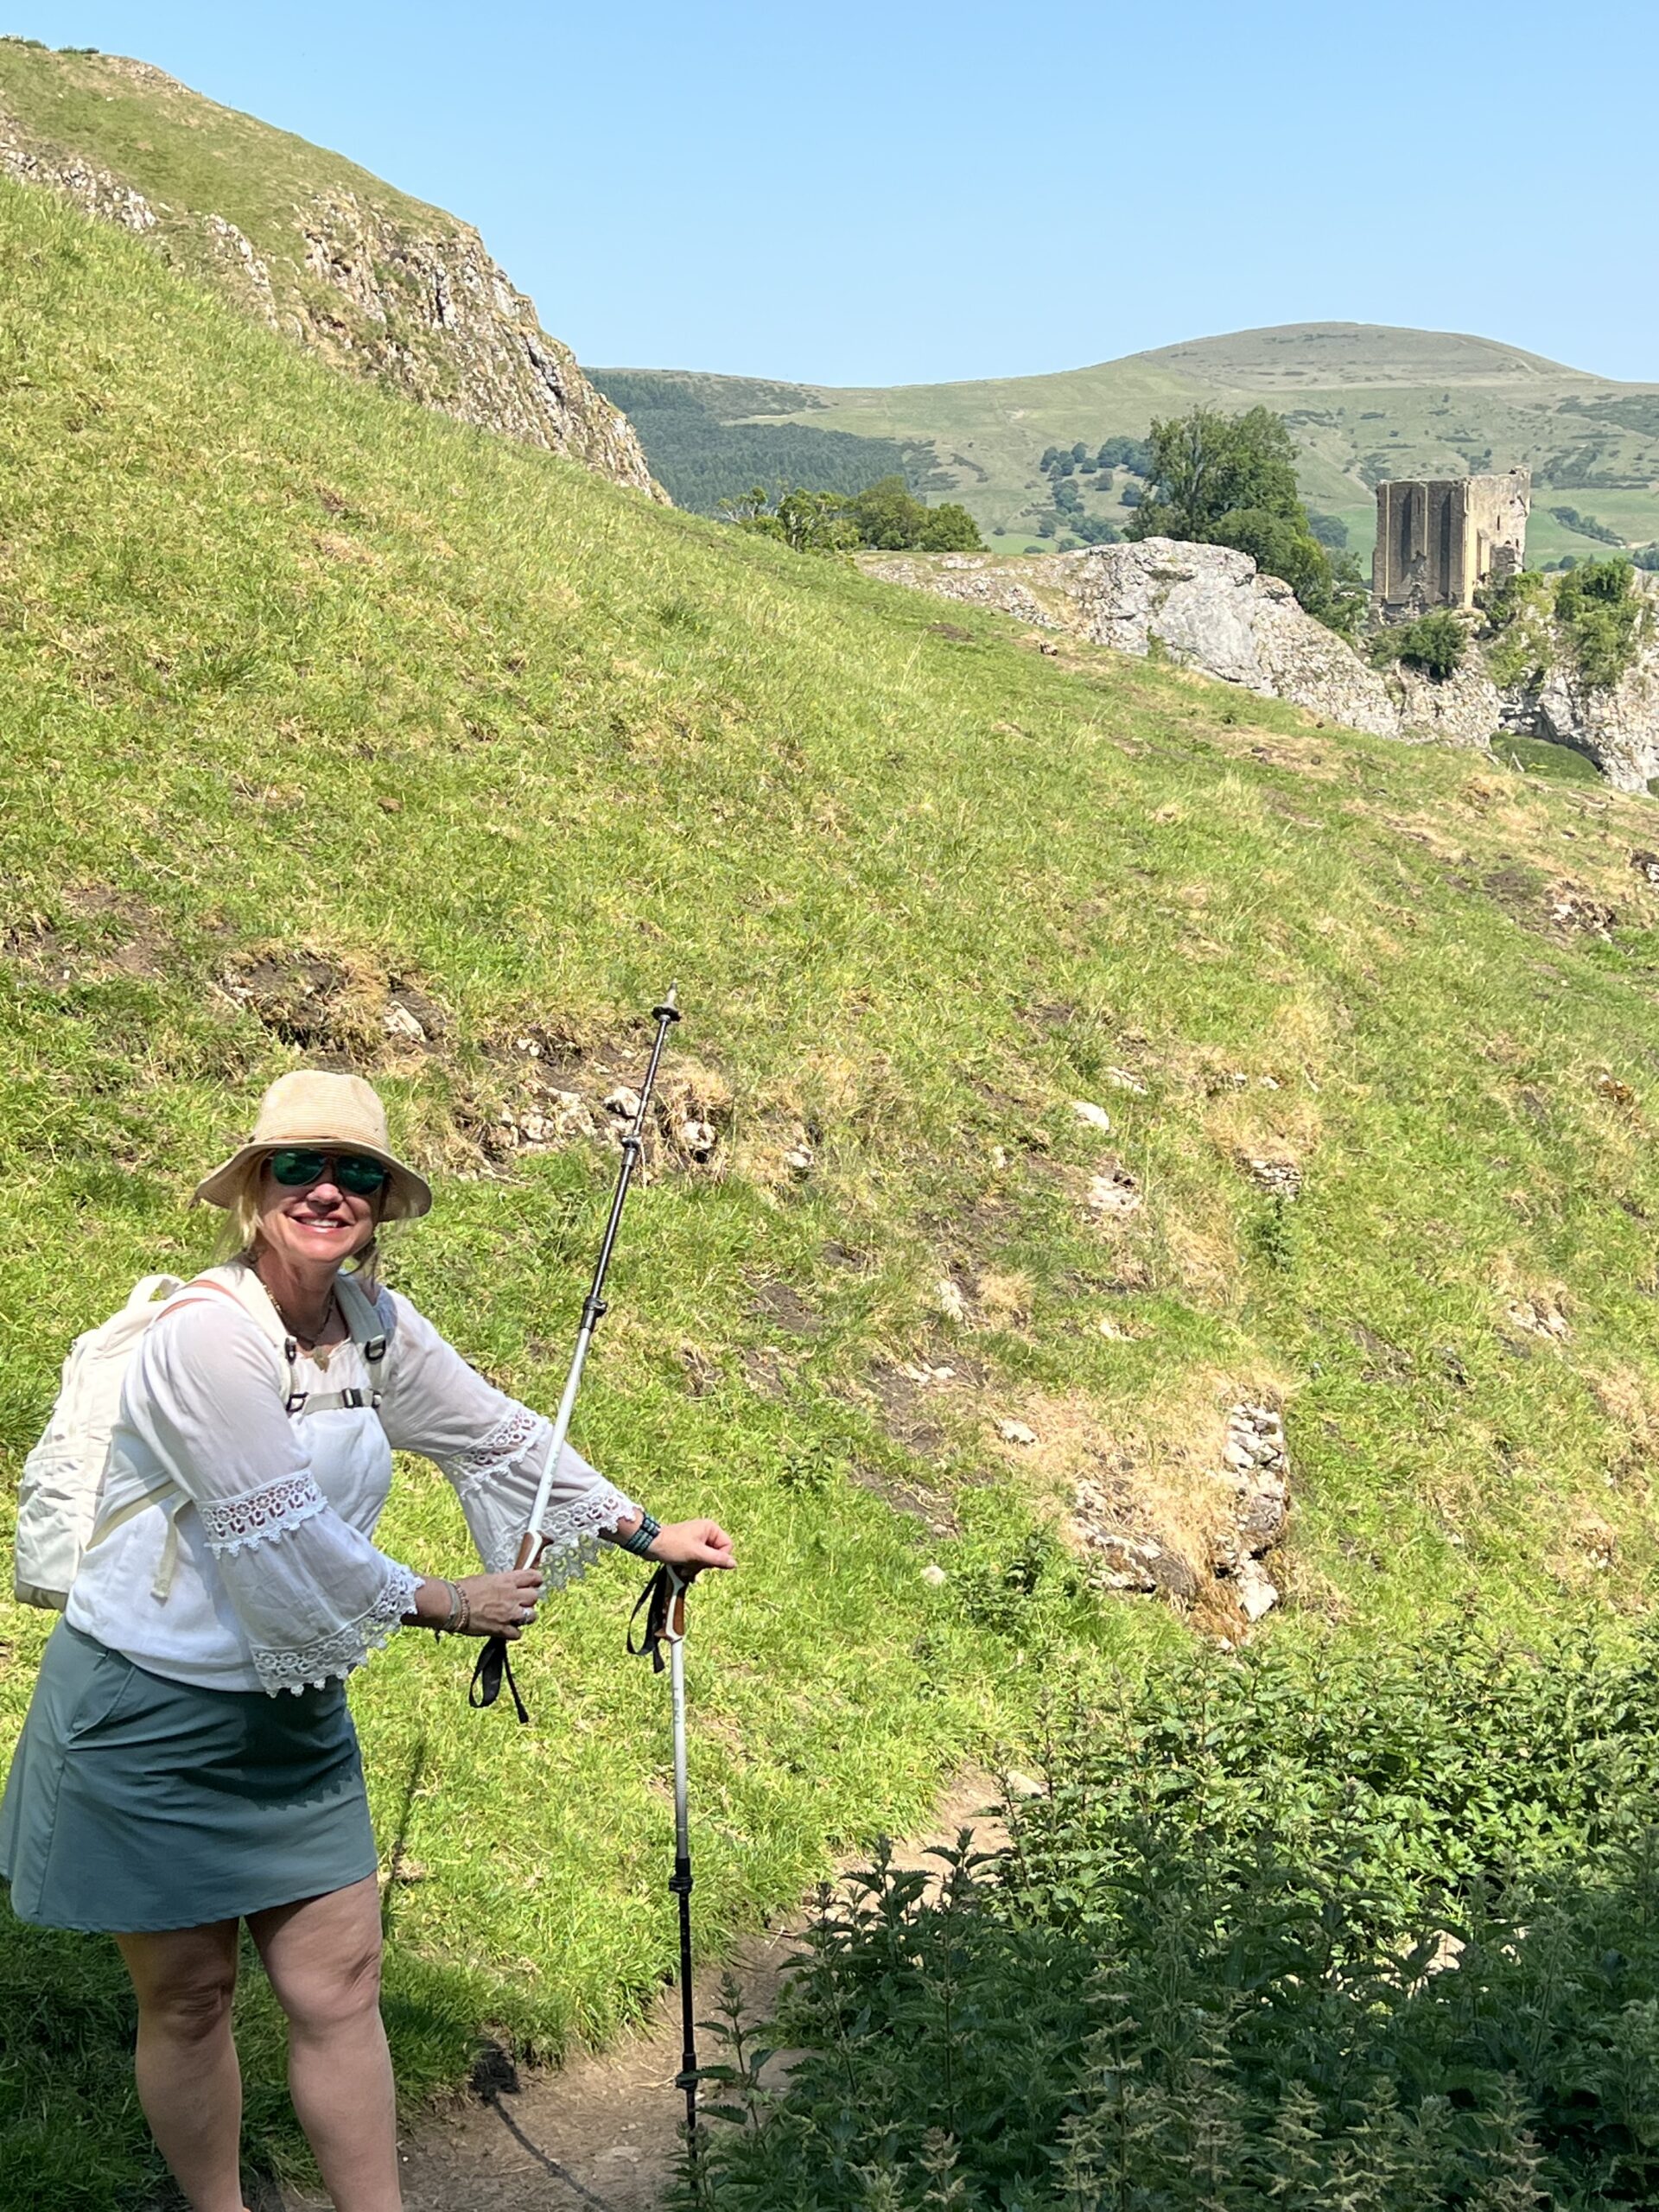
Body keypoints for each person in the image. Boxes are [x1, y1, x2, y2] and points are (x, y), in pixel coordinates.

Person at [0, 1069, 734, 2212]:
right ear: (255, 1186)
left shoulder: (373, 1329)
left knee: (341, 1983)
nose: (328, 1190)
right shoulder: (204, 1338)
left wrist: (648, 1532)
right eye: (300, 1164)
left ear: (383, 1205)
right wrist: (453, 1599)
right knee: (190, 1996)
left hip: (291, 1717)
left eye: (357, 1174)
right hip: (150, 1713)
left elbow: (495, 1431)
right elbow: (282, 1536)